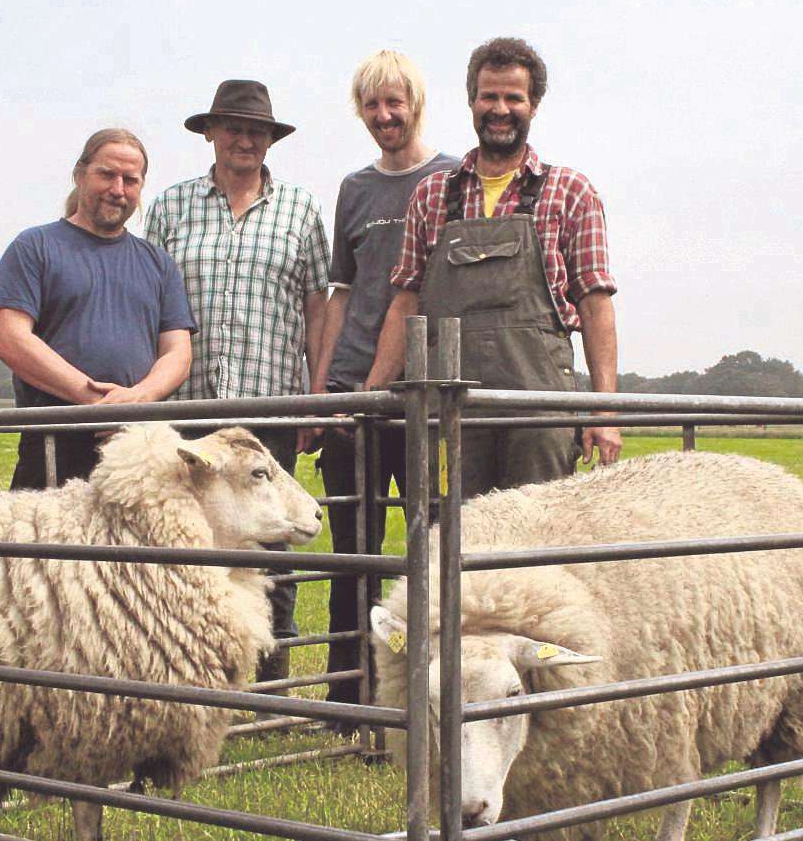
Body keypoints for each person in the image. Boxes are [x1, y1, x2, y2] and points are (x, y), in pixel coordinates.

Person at [370, 37, 622, 498]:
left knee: (535, 549)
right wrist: (372, 394)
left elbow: (595, 303)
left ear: (534, 105)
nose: (500, 109)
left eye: (513, 97)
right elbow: (405, 301)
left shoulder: (570, 192)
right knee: (453, 543)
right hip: (453, 411)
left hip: (539, 413)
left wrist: (604, 414)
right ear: (472, 100)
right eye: (489, 96)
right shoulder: (432, 195)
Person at [145, 80, 330, 684]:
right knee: (189, 547)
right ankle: (192, 673)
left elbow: (318, 307)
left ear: (271, 140)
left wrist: (316, 395)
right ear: (210, 134)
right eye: (233, 127)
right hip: (192, 406)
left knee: (272, 543)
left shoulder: (300, 209)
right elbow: (152, 302)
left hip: (270, 405)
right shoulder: (171, 207)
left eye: (257, 130)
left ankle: (271, 682)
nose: (245, 139)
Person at [307, 52, 459, 717]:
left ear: (417, 103)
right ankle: (348, 696)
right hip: (352, 391)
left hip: (421, 394)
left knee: (428, 542)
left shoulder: (451, 178)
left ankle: (422, 693)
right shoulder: (354, 189)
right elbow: (340, 294)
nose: (384, 116)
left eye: (394, 103)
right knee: (353, 553)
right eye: (371, 105)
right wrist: (325, 390)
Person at [0, 128, 196, 490]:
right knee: (43, 548)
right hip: (53, 445)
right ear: (80, 174)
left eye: (130, 180)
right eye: (107, 174)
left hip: (133, 450)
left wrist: (137, 400)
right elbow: (10, 338)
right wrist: (96, 401)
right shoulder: (34, 247)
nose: (118, 189)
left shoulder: (158, 263)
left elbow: (178, 352)